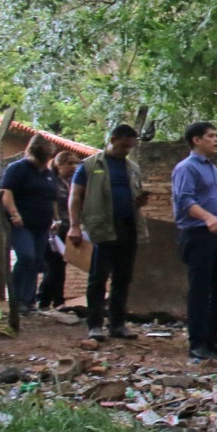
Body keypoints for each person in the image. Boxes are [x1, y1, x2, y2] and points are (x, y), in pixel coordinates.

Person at [69, 125, 150, 339]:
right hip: (103, 227)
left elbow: (135, 193)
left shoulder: (132, 167)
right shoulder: (89, 165)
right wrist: (74, 225)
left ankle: (117, 324)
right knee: (98, 277)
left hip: (128, 226)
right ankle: (95, 324)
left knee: (123, 278)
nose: (126, 150)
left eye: (130, 147)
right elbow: (75, 196)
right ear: (113, 139)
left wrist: (139, 202)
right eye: (124, 145)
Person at [172, 122, 217, 362]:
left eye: (216, 135)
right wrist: (208, 217)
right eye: (211, 136)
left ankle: (212, 339)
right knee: (200, 290)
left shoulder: (212, 168)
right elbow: (185, 201)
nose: (216, 139)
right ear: (196, 140)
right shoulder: (186, 168)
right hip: (198, 235)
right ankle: (197, 343)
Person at [0, 135, 59, 314]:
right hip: (21, 224)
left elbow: (52, 199)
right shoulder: (17, 169)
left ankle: (29, 300)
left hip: (42, 225)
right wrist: (14, 214)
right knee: (26, 257)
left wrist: (55, 219)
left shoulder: (47, 174)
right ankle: (16, 299)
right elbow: (6, 192)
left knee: (37, 261)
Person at [37, 149, 80, 310]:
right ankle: (46, 299)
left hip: (67, 229)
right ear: (59, 164)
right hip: (53, 230)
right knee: (54, 265)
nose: (73, 167)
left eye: (75, 163)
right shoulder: (51, 181)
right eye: (69, 163)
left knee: (60, 265)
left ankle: (55, 300)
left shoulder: (71, 182)